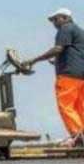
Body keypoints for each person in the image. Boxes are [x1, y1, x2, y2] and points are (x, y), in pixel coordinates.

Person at [24, 8, 84, 147]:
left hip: (68, 75)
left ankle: (77, 135)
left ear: (65, 18)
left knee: (66, 105)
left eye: (56, 19)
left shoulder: (66, 28)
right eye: (52, 21)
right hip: (81, 76)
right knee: (79, 106)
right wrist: (57, 61)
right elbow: (76, 53)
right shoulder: (80, 31)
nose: (54, 23)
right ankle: (81, 134)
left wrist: (34, 60)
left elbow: (58, 49)